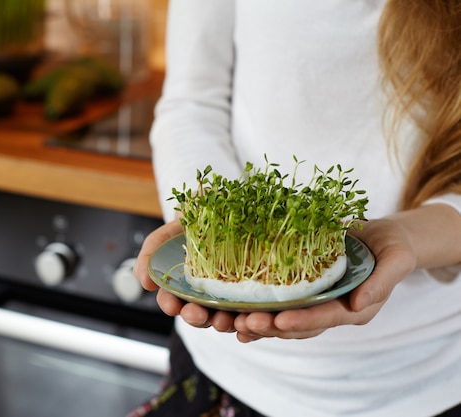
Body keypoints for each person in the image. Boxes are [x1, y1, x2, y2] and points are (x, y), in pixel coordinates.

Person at [128, 1, 461, 416]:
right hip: (225, 369)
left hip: (428, 376)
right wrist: (204, 218)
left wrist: (407, 237)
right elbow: (193, 102)